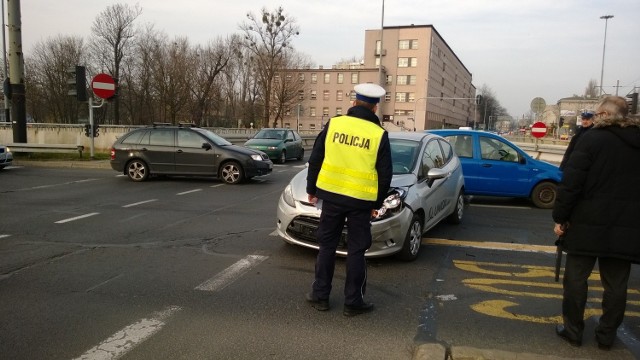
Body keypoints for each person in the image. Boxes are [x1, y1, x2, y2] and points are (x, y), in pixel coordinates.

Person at [552, 96, 640, 350]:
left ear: (603, 114)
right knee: (616, 285)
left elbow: (571, 184)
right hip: (627, 227)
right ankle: (606, 336)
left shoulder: (591, 139)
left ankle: (573, 331)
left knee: (576, 279)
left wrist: (561, 218)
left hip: (586, 223)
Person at [305, 83, 393, 317]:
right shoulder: (379, 135)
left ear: (353, 103)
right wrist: (377, 204)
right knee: (356, 251)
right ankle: (353, 302)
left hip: (331, 197)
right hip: (361, 202)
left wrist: (311, 189)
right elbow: (385, 175)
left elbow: (316, 158)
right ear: (375, 109)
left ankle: (320, 296)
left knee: (327, 246)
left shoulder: (334, 124)